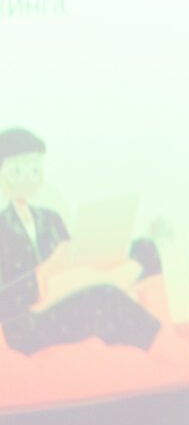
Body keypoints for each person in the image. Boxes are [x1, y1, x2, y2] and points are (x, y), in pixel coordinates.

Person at [0, 127, 166, 355]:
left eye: (35, 170)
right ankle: (161, 348)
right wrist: (43, 273)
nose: (29, 178)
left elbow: (71, 258)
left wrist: (93, 251)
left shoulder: (51, 219)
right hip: (29, 322)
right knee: (105, 297)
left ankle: (161, 328)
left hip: (67, 289)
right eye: (17, 171)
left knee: (144, 248)